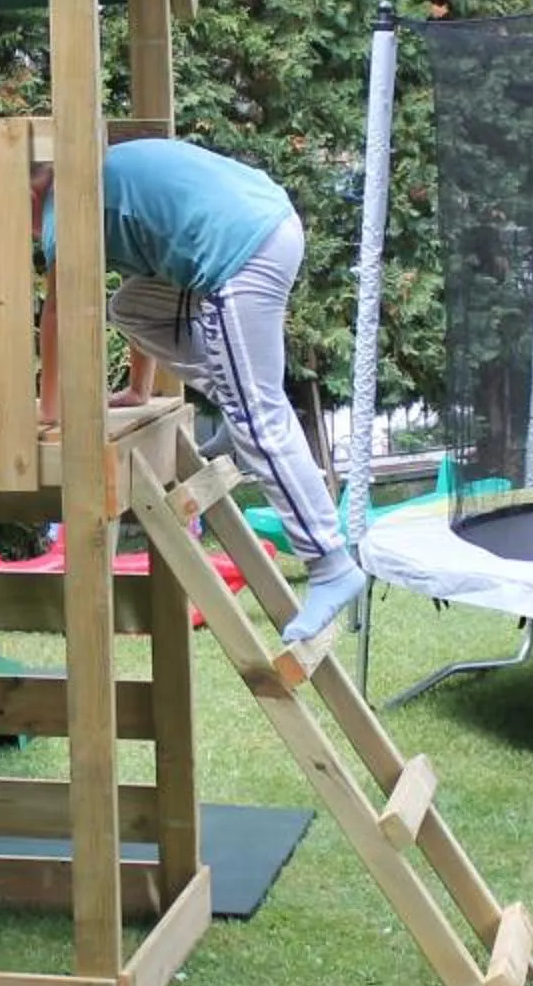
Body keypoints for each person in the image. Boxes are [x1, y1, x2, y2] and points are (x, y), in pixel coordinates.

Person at [34, 137, 365, 646]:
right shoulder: (97, 182)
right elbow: (147, 271)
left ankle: (330, 564)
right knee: (132, 307)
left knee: (259, 418)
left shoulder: (64, 207)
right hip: (264, 221)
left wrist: (48, 410)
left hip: (240, 249)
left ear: (31, 195)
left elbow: (57, 312)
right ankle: (238, 405)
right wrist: (139, 390)